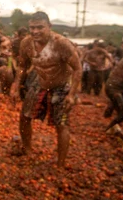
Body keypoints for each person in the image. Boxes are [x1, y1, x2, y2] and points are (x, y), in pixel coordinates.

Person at [10, 11, 82, 168]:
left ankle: (60, 164)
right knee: (24, 116)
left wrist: (72, 94)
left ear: (49, 27)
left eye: (40, 27)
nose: (35, 31)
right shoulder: (26, 43)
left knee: (61, 124)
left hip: (61, 85)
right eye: (32, 27)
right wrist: (15, 85)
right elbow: (22, 65)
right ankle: (27, 149)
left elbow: (77, 68)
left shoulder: (61, 43)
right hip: (39, 81)